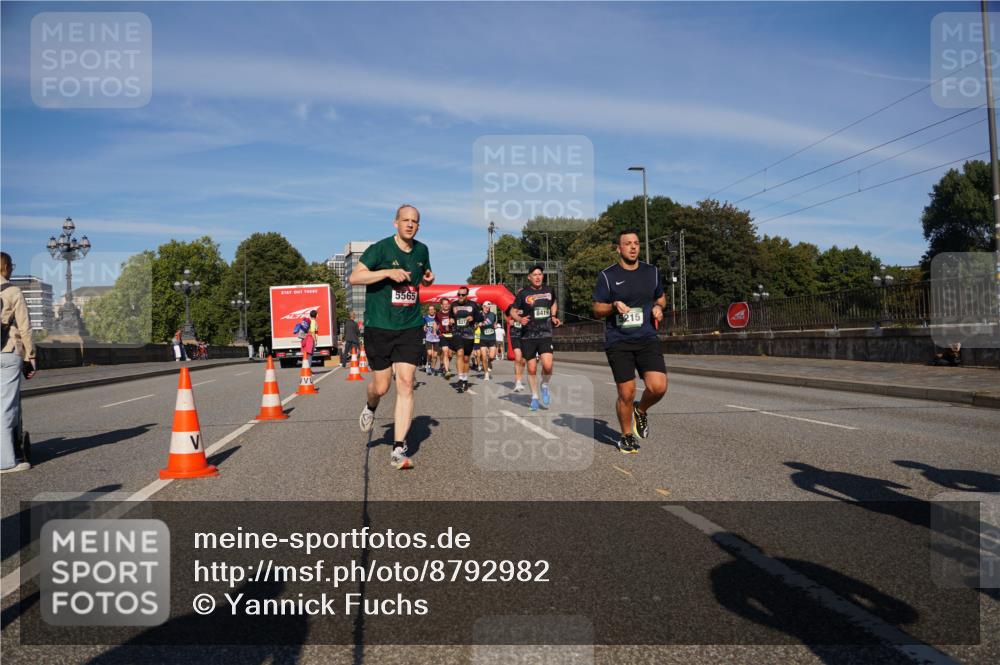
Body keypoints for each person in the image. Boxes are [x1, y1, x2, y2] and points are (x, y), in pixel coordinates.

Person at [349, 204, 433, 470]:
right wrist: (386, 272)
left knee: (406, 383)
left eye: (415, 221)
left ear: (418, 226)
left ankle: (398, 448)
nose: (410, 224)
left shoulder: (422, 251)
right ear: (395, 222)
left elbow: (422, 279)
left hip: (410, 325)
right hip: (380, 325)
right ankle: (370, 407)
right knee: (382, 387)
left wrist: (428, 279)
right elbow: (354, 277)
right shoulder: (380, 249)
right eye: (405, 220)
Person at [592, 229, 668, 454]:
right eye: (628, 244)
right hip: (619, 341)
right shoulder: (608, 275)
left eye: (636, 243)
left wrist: (658, 307)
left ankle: (641, 410)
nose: (633, 247)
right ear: (619, 248)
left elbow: (660, 296)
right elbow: (597, 308)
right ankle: (626, 436)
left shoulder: (651, 272)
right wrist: (613, 305)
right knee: (626, 393)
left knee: (658, 387)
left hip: (646, 338)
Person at [1, 252, 36, 473]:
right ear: (6, 267)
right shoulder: (13, 291)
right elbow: (25, 327)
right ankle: (6, 461)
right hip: (7, 352)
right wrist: (30, 356)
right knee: (6, 407)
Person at [511, 265, 561, 410]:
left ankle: (544, 385)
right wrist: (520, 320)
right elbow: (513, 311)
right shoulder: (523, 293)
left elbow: (553, 303)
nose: (538, 277)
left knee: (548, 365)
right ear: (529, 277)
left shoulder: (549, 290)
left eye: (540, 274)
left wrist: (553, 316)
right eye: (535, 274)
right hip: (528, 335)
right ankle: (534, 397)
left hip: (545, 333)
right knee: (532, 369)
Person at [450, 287, 482, 393]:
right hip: (457, 333)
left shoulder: (473, 305)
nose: (460, 296)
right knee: (459, 353)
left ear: (467, 295)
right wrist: (451, 319)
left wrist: (473, 318)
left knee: (466, 358)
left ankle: (465, 379)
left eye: (462, 295)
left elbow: (480, 318)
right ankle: (460, 378)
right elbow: (450, 316)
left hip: (469, 334)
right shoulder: (454, 304)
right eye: (458, 294)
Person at [434, 298, 457, 379]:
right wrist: (435, 330)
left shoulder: (453, 314)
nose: (446, 305)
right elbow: (436, 323)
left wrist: (453, 322)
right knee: (445, 352)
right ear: (441, 305)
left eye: (447, 304)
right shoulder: (438, 314)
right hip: (443, 335)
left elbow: (457, 322)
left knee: (450, 354)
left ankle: (444, 365)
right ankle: (447, 371)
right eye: (444, 304)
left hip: (452, 335)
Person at [506, 304, 525, 391]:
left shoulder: (529, 305)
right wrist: (508, 321)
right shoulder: (513, 306)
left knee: (523, 361)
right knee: (518, 357)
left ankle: (518, 378)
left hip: (526, 334)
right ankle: (518, 382)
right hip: (515, 333)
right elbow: (505, 313)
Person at [478, 301, 498, 381]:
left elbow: (495, 323)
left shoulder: (493, 315)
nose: (487, 308)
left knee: (492, 356)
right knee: (484, 357)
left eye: (488, 307)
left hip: (491, 338)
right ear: (483, 306)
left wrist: (495, 325)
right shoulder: (479, 315)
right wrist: (478, 325)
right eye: (486, 307)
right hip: (483, 338)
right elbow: (475, 325)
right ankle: (486, 374)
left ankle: (489, 362)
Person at [423, 304, 439, 375]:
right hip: (428, 337)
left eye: (433, 309)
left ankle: (432, 368)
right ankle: (428, 364)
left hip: (437, 338)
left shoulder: (438, 317)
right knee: (429, 353)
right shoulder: (425, 318)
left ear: (435, 310)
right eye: (430, 309)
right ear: (428, 311)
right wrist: (424, 328)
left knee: (435, 356)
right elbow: (423, 326)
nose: (431, 311)